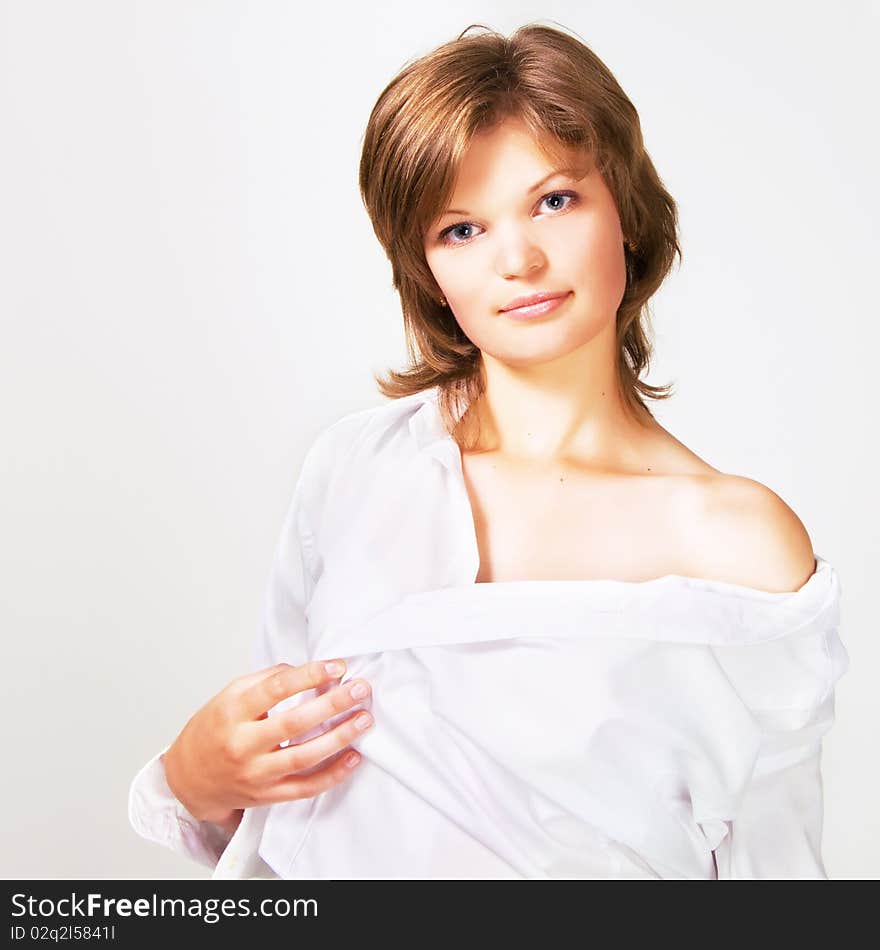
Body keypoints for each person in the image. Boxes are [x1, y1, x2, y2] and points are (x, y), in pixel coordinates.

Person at [128, 22, 849, 879]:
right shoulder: (360, 468)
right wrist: (189, 777)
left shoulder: (737, 542)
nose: (519, 259)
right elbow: (279, 791)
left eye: (554, 200)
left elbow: (783, 876)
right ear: (427, 270)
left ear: (626, 208)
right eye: (461, 229)